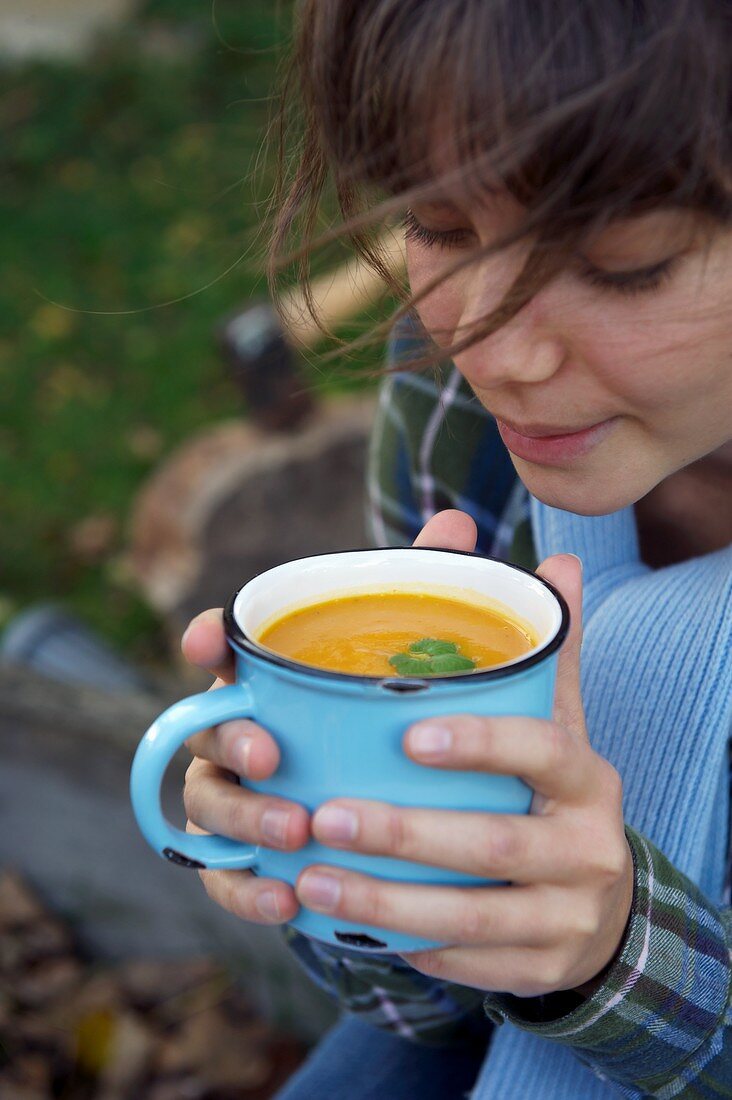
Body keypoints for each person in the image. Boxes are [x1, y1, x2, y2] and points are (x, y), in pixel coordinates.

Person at [180, 2, 732, 1095]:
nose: (492, 344)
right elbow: (420, 1010)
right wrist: (339, 857)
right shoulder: (458, 423)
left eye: (625, 262)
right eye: (435, 224)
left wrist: (623, 954)